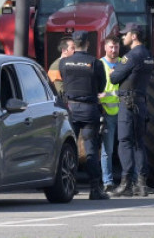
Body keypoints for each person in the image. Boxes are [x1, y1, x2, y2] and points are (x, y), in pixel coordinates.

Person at [59, 31, 109, 200]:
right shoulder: (95, 63)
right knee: (91, 150)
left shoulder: (64, 62)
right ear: (88, 44)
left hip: (71, 109)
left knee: (68, 149)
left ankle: (69, 187)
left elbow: (63, 81)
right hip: (89, 110)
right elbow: (102, 87)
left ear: (74, 43)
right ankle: (95, 189)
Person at [110, 23, 154, 197]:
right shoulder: (148, 55)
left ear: (134, 36)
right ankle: (141, 184)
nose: (122, 37)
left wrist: (116, 70)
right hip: (141, 102)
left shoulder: (132, 56)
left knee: (125, 142)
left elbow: (114, 78)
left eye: (125, 34)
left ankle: (126, 183)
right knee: (139, 143)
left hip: (127, 104)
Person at [99, 35, 122, 194]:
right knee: (107, 150)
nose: (113, 50)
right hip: (106, 112)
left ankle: (131, 179)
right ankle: (107, 181)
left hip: (123, 112)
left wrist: (109, 95)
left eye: (116, 47)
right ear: (105, 47)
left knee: (127, 147)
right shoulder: (99, 64)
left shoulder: (124, 63)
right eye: (111, 47)